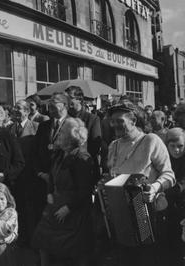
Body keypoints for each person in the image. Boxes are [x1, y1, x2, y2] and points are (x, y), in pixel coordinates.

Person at [106, 101, 175, 266]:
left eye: (120, 121)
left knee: (146, 258)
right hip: (121, 215)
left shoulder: (151, 140)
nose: (115, 125)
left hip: (147, 213)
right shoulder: (113, 146)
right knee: (125, 257)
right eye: (112, 121)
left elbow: (169, 174)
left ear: (133, 121)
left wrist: (154, 187)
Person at [32, 117, 94, 266]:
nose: (58, 136)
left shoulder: (81, 158)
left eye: (61, 134)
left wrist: (68, 208)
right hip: (55, 206)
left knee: (69, 252)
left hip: (73, 212)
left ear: (70, 138)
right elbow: (52, 177)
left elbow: (85, 190)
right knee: (42, 241)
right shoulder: (59, 155)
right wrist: (49, 193)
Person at [8, 99, 40, 246]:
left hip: (30, 176)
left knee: (31, 209)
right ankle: (19, 237)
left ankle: (33, 240)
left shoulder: (36, 127)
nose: (15, 110)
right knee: (17, 207)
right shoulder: (9, 129)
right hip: (15, 177)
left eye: (19, 108)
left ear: (27, 111)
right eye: (14, 108)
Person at [34, 92, 70, 188]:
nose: (50, 109)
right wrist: (40, 173)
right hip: (44, 178)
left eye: (54, 104)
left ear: (65, 105)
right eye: (49, 105)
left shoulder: (74, 125)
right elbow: (36, 150)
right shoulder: (43, 126)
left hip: (64, 180)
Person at [66, 86, 101, 181]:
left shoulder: (92, 119)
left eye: (69, 98)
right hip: (65, 170)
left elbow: (95, 146)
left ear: (79, 99)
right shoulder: (64, 118)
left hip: (85, 167)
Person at [164, 128, 185, 266]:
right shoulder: (164, 160)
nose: (176, 150)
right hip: (168, 210)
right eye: (172, 146)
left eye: (180, 146)